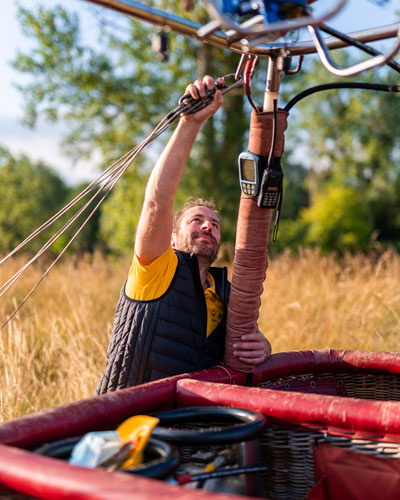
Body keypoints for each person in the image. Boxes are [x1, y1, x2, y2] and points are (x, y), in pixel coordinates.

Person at [96, 76, 271, 395]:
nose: (208, 226)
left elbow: (248, 343)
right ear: (172, 238)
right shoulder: (156, 269)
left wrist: (264, 347)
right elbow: (156, 202)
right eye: (197, 220)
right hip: (127, 421)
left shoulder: (227, 293)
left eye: (215, 224)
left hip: (188, 429)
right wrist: (190, 123)